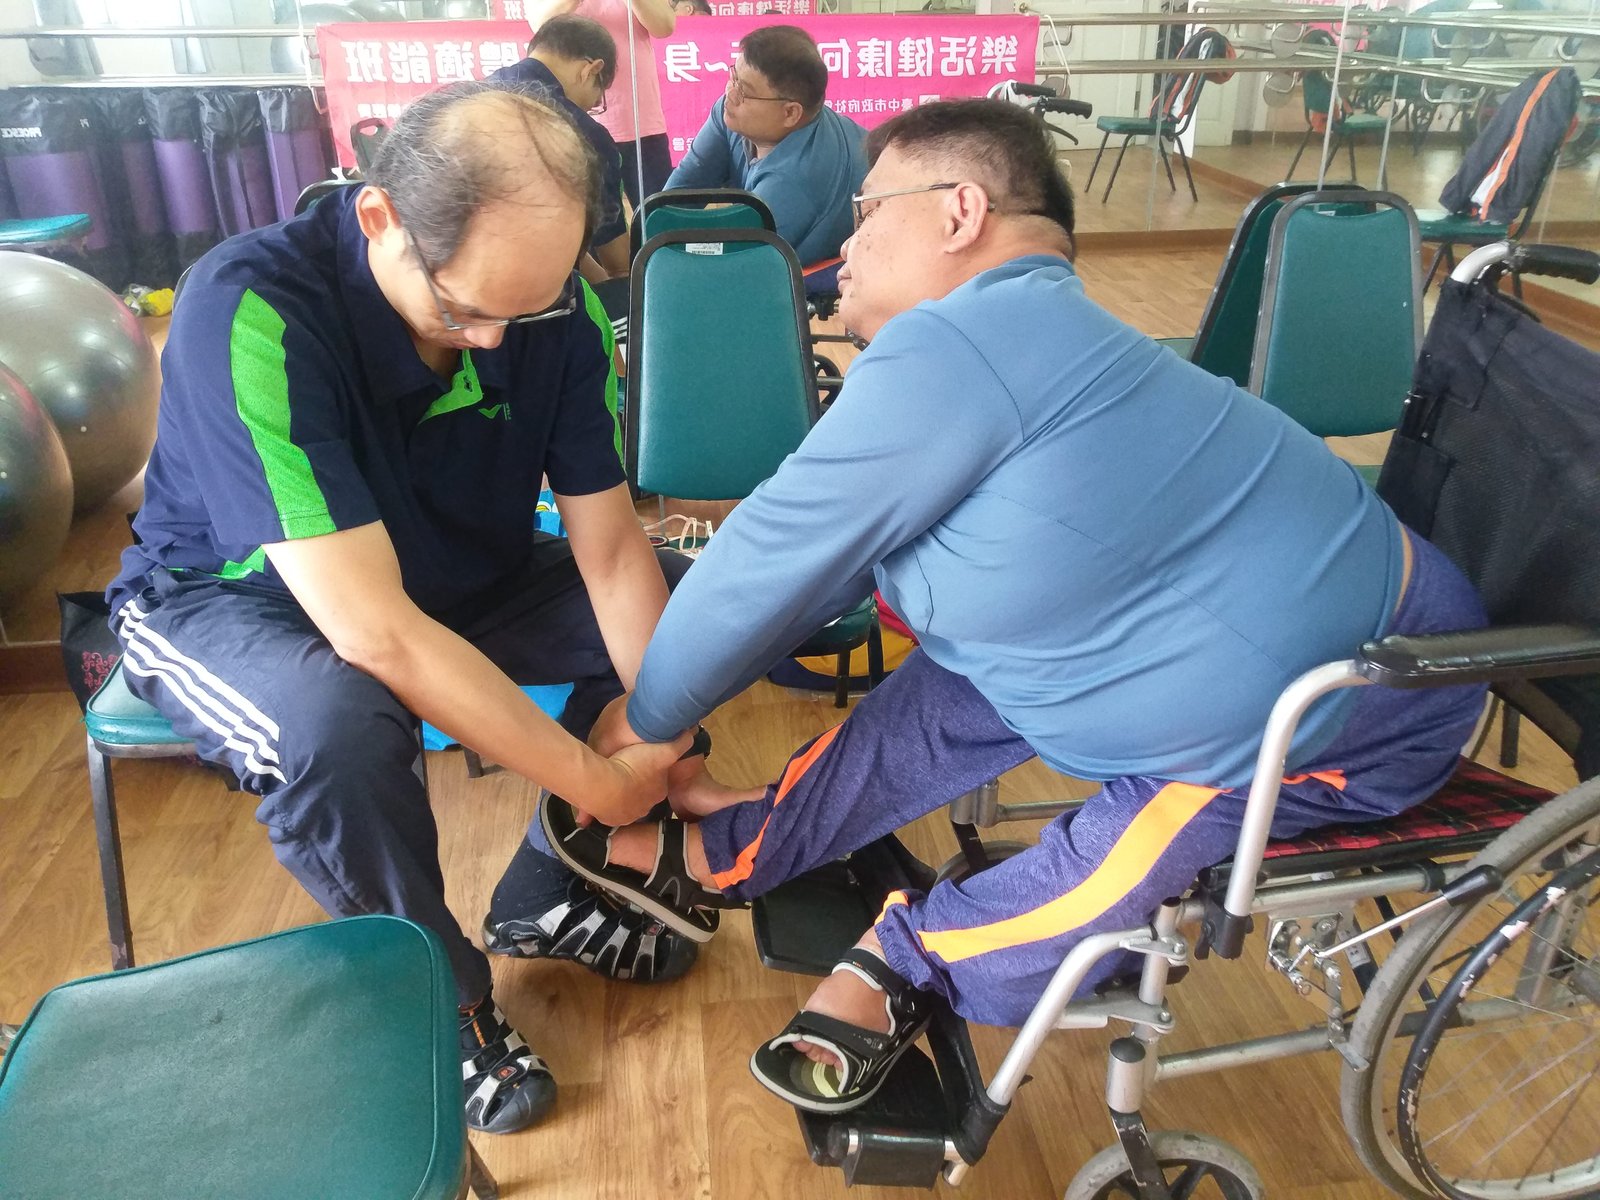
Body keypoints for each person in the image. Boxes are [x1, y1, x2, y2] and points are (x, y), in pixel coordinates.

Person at [535, 98, 1490, 1112]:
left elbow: (768, 563)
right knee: (936, 698)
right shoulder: (1021, 333)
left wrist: (647, 728)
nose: (842, 247)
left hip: (1360, 701)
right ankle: (741, 848)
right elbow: (821, 562)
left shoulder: (963, 344)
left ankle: (910, 958)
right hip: (1216, 641)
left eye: (867, 213)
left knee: (1144, 828)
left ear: (960, 212)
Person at [106, 82, 701, 1137]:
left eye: (522, 312)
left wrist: (661, 734)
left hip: (449, 574)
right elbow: (371, 630)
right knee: (336, 727)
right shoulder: (251, 306)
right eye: (463, 309)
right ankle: (442, 996)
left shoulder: (556, 313)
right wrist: (603, 784)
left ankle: (550, 886)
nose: (491, 340)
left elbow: (610, 552)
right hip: (234, 601)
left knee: (693, 616)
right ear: (378, 216)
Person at [665, 25, 866, 266]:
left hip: (826, 273)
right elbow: (672, 202)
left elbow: (734, 264)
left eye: (744, 91)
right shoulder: (730, 114)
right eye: (733, 77)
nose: (730, 94)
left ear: (790, 113)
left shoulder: (794, 181)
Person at [489, 14, 631, 279]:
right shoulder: (585, 136)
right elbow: (619, 266)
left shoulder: (468, 99)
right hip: (531, 292)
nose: (592, 107)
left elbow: (561, 246)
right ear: (591, 70)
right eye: (597, 98)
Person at [527, 0, 676, 210]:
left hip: (639, 121)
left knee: (657, 214)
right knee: (594, 217)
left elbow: (664, 26)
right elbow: (540, 26)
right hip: (577, 122)